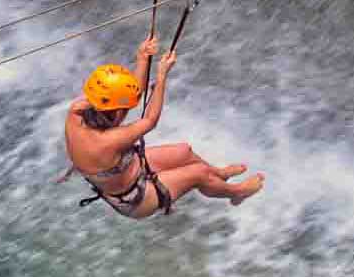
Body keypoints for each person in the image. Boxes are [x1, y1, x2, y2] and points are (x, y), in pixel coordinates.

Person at [64, 36, 265, 219]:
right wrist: (161, 78)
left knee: (184, 151)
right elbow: (150, 120)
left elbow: (131, 96)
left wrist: (142, 57)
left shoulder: (79, 110)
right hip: (137, 198)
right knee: (199, 173)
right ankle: (237, 193)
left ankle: (219, 175)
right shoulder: (107, 141)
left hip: (130, 169)